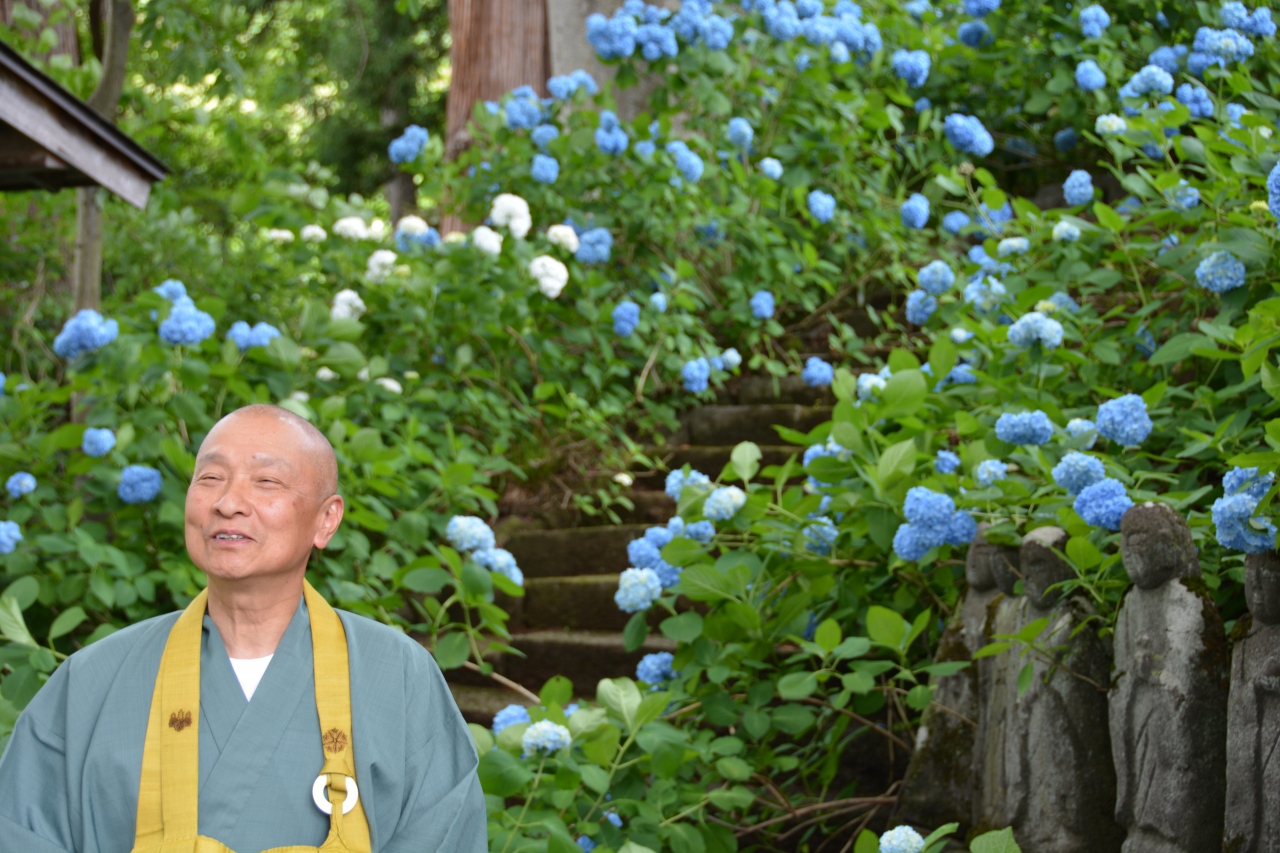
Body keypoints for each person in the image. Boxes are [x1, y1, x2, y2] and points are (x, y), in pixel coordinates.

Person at [0, 404, 486, 852]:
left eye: (266, 481)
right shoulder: (92, 680)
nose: (228, 502)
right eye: (210, 477)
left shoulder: (398, 675)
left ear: (326, 519)